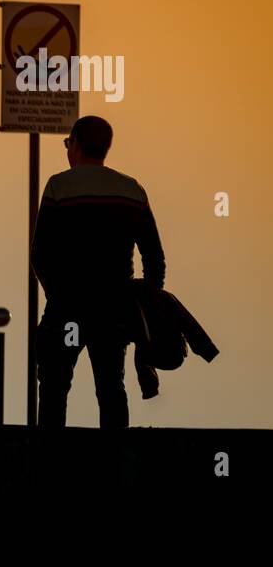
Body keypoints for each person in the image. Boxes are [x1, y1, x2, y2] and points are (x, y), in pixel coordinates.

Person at [31, 115, 165, 428]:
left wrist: (57, 293)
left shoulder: (58, 187)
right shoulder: (132, 190)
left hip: (67, 308)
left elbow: (40, 253)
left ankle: (45, 466)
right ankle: (114, 466)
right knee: (111, 388)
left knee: (54, 385)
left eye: (68, 143)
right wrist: (147, 301)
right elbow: (155, 257)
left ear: (76, 145)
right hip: (113, 308)